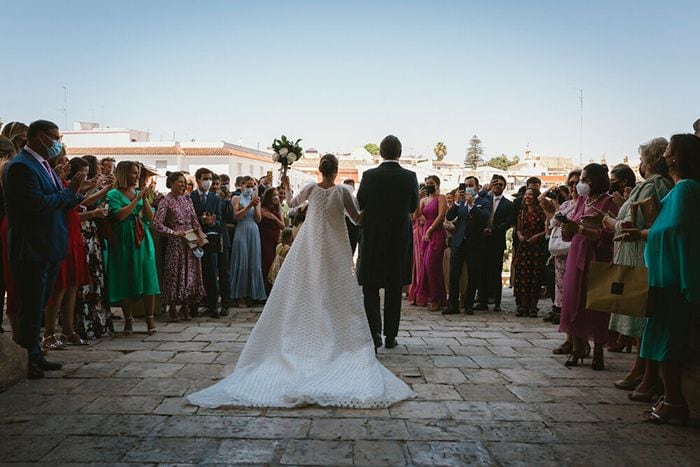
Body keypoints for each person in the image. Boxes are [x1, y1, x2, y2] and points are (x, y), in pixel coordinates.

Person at [187, 153, 415, 408]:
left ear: (320, 170)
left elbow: (292, 203)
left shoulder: (309, 187)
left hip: (310, 246)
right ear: (336, 171)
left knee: (306, 287)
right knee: (334, 291)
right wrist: (376, 207)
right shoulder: (342, 192)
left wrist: (286, 184)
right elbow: (356, 218)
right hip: (336, 249)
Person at [619, 134, 700, 425]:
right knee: (661, 337)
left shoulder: (687, 189)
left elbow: (672, 228)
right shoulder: (679, 190)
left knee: (669, 341)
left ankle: (675, 401)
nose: (664, 154)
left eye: (668, 149)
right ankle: (669, 398)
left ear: (677, 157)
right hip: (666, 275)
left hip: (673, 278)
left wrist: (643, 233)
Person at [4, 120, 87, 379]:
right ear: (40, 137)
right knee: (30, 306)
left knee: (38, 304)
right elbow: (37, 205)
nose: (58, 142)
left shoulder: (42, 165)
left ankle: (36, 354)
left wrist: (72, 192)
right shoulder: (20, 167)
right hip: (32, 246)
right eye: (55, 137)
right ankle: (30, 358)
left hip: (48, 245)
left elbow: (56, 200)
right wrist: (70, 191)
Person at [596, 138, 673, 399]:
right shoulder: (649, 186)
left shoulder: (657, 185)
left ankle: (646, 373)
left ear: (650, 161)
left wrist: (609, 222)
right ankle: (640, 369)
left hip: (642, 258)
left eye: (642, 159)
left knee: (642, 317)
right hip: (633, 256)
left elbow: (639, 222)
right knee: (637, 315)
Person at [357, 136, 419, 349]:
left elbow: (360, 202)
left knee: (370, 289)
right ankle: (390, 336)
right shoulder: (410, 176)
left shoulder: (369, 175)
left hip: (373, 239)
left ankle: (374, 333)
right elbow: (412, 207)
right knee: (394, 289)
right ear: (399, 153)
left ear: (381, 153)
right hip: (398, 239)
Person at [43, 158, 111, 349]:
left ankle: (68, 330)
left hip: (74, 238)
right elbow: (71, 209)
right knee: (59, 288)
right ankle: (49, 333)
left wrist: (94, 186)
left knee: (72, 285)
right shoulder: (62, 187)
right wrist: (93, 212)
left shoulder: (68, 186)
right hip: (64, 236)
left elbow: (81, 201)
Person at [558, 163, 619, 370]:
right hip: (576, 255)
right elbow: (571, 230)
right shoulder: (582, 201)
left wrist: (582, 230)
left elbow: (611, 234)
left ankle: (599, 350)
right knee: (574, 300)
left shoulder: (609, 202)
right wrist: (567, 228)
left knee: (597, 304)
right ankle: (577, 347)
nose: (581, 184)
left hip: (597, 258)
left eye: (584, 180)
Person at [106, 161, 160, 335]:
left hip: (141, 236)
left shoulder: (138, 193)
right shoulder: (113, 194)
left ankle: (149, 318)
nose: (137, 176)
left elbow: (151, 218)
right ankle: (128, 319)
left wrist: (143, 198)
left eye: (137, 173)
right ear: (123, 174)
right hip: (123, 237)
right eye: (133, 173)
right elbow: (120, 215)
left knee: (147, 274)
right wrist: (136, 199)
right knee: (126, 276)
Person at [154, 171, 206, 321]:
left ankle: (186, 305)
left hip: (190, 240)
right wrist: (173, 232)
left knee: (190, 273)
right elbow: (157, 223)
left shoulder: (187, 199)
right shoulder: (165, 200)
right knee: (175, 274)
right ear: (171, 183)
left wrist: (200, 235)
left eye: (184, 182)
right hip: (176, 242)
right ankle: (171, 307)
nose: (183, 185)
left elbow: (194, 219)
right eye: (180, 182)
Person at [74, 155, 114, 340]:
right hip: (81, 234)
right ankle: (84, 324)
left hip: (91, 233)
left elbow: (85, 200)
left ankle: (97, 321)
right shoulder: (71, 186)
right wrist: (95, 211)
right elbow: (80, 205)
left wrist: (103, 188)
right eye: (95, 165)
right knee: (85, 283)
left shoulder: (85, 186)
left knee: (95, 280)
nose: (98, 168)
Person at [443, 176, 491, 315]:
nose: (468, 187)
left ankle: (469, 304)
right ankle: (453, 305)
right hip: (458, 242)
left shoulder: (484, 202)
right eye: (466, 185)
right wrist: (457, 202)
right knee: (454, 273)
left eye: (471, 185)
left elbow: (484, 217)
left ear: (477, 187)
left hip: (475, 243)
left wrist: (472, 205)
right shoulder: (460, 202)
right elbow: (450, 216)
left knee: (473, 274)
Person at [541, 170, 581, 329]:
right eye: (570, 183)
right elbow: (550, 228)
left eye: (577, 182)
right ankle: (568, 336)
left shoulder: (585, 204)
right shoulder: (565, 205)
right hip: (560, 255)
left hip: (576, 253)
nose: (574, 186)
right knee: (562, 292)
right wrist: (551, 214)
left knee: (574, 295)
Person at [190, 168, 226, 318]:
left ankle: (213, 306)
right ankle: (193, 306)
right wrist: (200, 219)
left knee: (211, 273)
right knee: (194, 273)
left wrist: (212, 221)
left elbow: (219, 219)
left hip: (210, 240)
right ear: (198, 180)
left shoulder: (215, 198)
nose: (208, 182)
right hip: (194, 239)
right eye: (205, 178)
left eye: (210, 178)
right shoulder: (190, 197)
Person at [229, 176, 267, 307]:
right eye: (248, 185)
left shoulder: (256, 199)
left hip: (253, 230)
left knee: (253, 262)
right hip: (241, 230)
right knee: (241, 260)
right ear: (241, 185)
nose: (250, 188)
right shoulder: (236, 198)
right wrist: (249, 205)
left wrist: (255, 206)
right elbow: (236, 216)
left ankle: (252, 293)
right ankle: (240, 296)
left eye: (253, 186)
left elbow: (258, 219)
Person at [479, 175, 515, 312]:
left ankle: (497, 302)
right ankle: (482, 301)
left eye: (500, 184)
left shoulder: (508, 204)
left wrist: (493, 230)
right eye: (496, 184)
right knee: (482, 272)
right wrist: (486, 188)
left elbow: (508, 222)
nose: (497, 186)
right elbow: (476, 200)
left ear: (504, 187)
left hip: (497, 240)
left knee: (495, 272)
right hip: (482, 240)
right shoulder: (485, 199)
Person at [414, 175, 447, 311]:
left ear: (437, 184)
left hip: (436, 233)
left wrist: (430, 231)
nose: (429, 185)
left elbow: (441, 216)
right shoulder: (424, 200)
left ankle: (436, 298)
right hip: (426, 234)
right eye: (427, 183)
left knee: (432, 265)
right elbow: (417, 215)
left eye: (432, 183)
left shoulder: (441, 198)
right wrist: (417, 198)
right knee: (426, 266)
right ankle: (430, 296)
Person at [513, 188, 547, 317]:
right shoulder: (521, 212)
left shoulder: (541, 212)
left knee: (535, 276)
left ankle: (533, 306)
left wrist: (537, 237)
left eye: (530, 194)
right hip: (524, 248)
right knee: (522, 277)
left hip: (536, 248)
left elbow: (547, 229)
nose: (527, 197)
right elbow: (518, 228)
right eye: (526, 194)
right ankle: (523, 305)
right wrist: (519, 235)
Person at [212, 174, 233, 311]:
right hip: (209, 237)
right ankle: (211, 302)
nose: (214, 186)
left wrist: (227, 201)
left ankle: (226, 303)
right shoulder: (206, 199)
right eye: (212, 183)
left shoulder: (224, 200)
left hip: (222, 237)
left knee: (224, 271)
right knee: (211, 272)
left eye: (217, 184)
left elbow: (230, 218)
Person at [259, 187, 285, 293]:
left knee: (274, 263)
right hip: (264, 239)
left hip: (275, 238)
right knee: (266, 262)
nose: (276, 197)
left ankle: (272, 289)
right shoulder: (262, 208)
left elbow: (283, 226)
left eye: (277, 195)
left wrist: (274, 218)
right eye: (274, 195)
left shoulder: (277, 209)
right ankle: (264, 289)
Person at [407, 183, 426, 305]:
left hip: (422, 232)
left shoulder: (435, 200)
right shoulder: (416, 202)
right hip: (416, 233)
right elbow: (414, 216)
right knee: (415, 263)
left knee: (420, 263)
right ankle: (415, 292)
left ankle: (420, 293)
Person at [343, 179, 360, 255]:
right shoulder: (343, 196)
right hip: (346, 223)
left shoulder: (354, 198)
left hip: (353, 226)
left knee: (352, 246)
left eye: (352, 186)